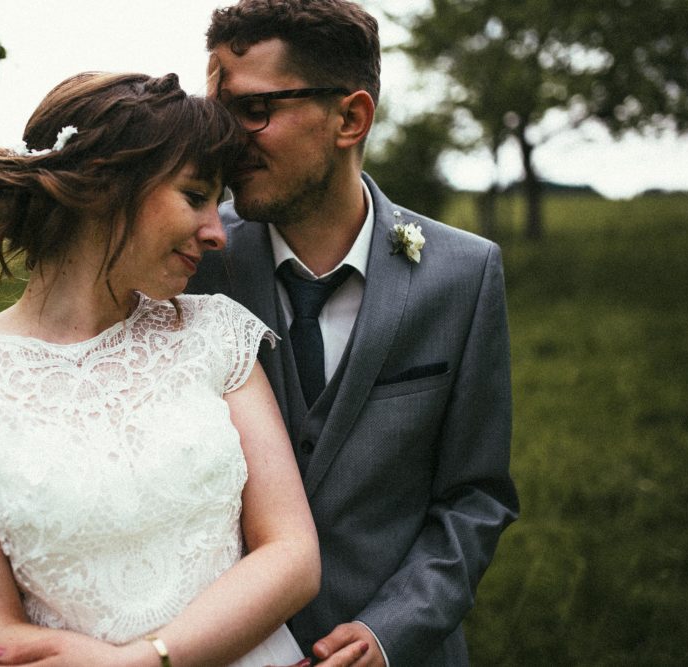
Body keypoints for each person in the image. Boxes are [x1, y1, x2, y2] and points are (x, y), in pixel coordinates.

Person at [0, 71, 326, 667]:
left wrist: (148, 660)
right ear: (106, 187)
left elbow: (293, 557)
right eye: (196, 196)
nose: (216, 233)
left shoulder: (214, 333)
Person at [190, 1, 520, 665]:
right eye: (218, 114)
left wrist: (391, 629)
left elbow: (473, 496)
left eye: (254, 111)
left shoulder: (464, 275)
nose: (227, 140)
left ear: (351, 118)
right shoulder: (193, 264)